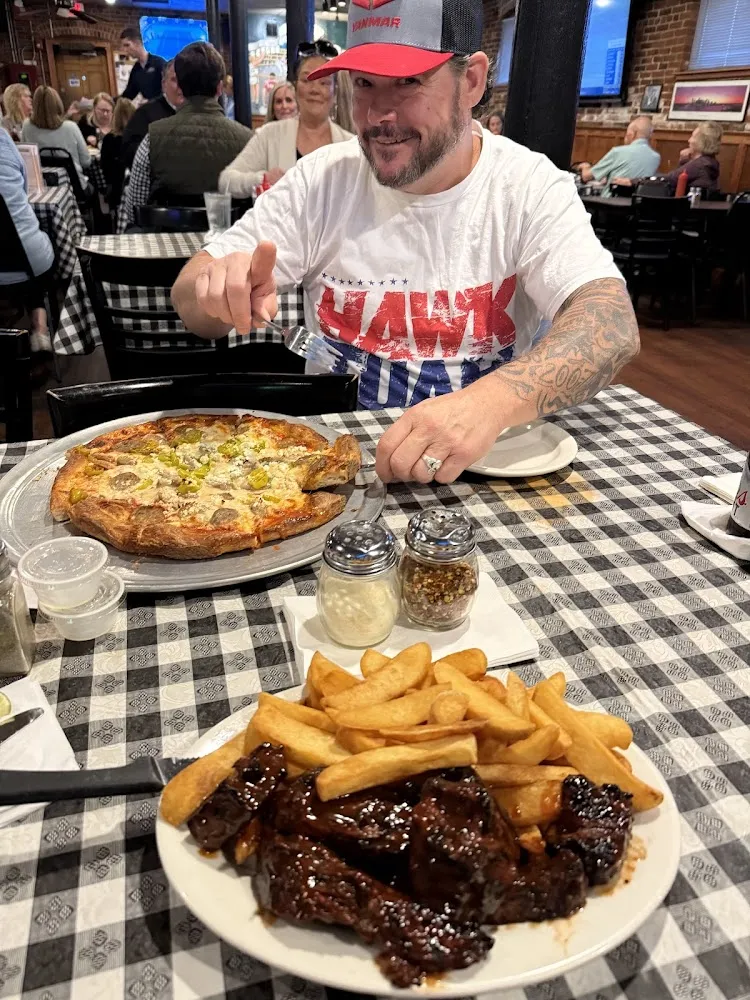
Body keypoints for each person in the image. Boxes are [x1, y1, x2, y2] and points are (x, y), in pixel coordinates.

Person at [172, 0, 638, 486]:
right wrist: (214, 292)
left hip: (483, 475)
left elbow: (611, 324)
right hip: (333, 474)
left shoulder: (527, 186)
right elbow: (189, 298)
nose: (377, 116)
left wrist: (487, 404)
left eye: (408, 82)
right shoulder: (320, 180)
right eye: (364, 84)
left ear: (472, 82)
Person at [121, 42, 252, 229]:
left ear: (180, 87)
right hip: (225, 251)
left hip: (162, 251)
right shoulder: (247, 141)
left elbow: (134, 208)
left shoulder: (152, 138)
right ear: (219, 88)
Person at [219, 42, 353, 198]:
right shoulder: (270, 135)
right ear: (295, 88)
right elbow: (226, 181)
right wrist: (262, 179)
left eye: (324, 83)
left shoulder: (349, 145)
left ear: (335, 92)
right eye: (307, 80)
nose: (314, 89)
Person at [0, 128, 55, 351]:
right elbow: (24, 187)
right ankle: (40, 325)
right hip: (31, 261)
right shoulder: (3, 138)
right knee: (35, 248)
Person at [613, 121, 723, 196]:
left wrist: (632, 181)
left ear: (701, 141)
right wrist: (684, 161)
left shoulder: (699, 165)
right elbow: (680, 179)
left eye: (693, 136)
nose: (689, 140)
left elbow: (669, 180)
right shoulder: (710, 162)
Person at [21, 86, 91, 188]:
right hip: (73, 186)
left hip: (43, 185)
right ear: (58, 103)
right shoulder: (70, 127)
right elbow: (86, 162)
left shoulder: (27, 126)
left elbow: (26, 158)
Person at [120, 59, 183, 169]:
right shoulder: (144, 114)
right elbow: (129, 153)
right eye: (174, 80)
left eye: (185, 80)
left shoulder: (195, 111)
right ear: (164, 84)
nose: (181, 86)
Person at [577, 116, 660, 194]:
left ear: (632, 134)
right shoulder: (656, 157)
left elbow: (586, 176)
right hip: (634, 205)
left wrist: (585, 166)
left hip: (609, 203)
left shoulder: (618, 152)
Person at [100, 98, 135, 207]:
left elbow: (104, 168)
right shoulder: (141, 138)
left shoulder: (108, 140)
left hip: (116, 193)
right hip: (138, 191)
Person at [119, 27, 166, 102]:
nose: (125, 50)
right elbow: (129, 94)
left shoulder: (159, 63)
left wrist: (150, 103)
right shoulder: (136, 69)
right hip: (149, 110)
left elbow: (168, 91)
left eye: (127, 45)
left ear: (138, 43)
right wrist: (109, 102)